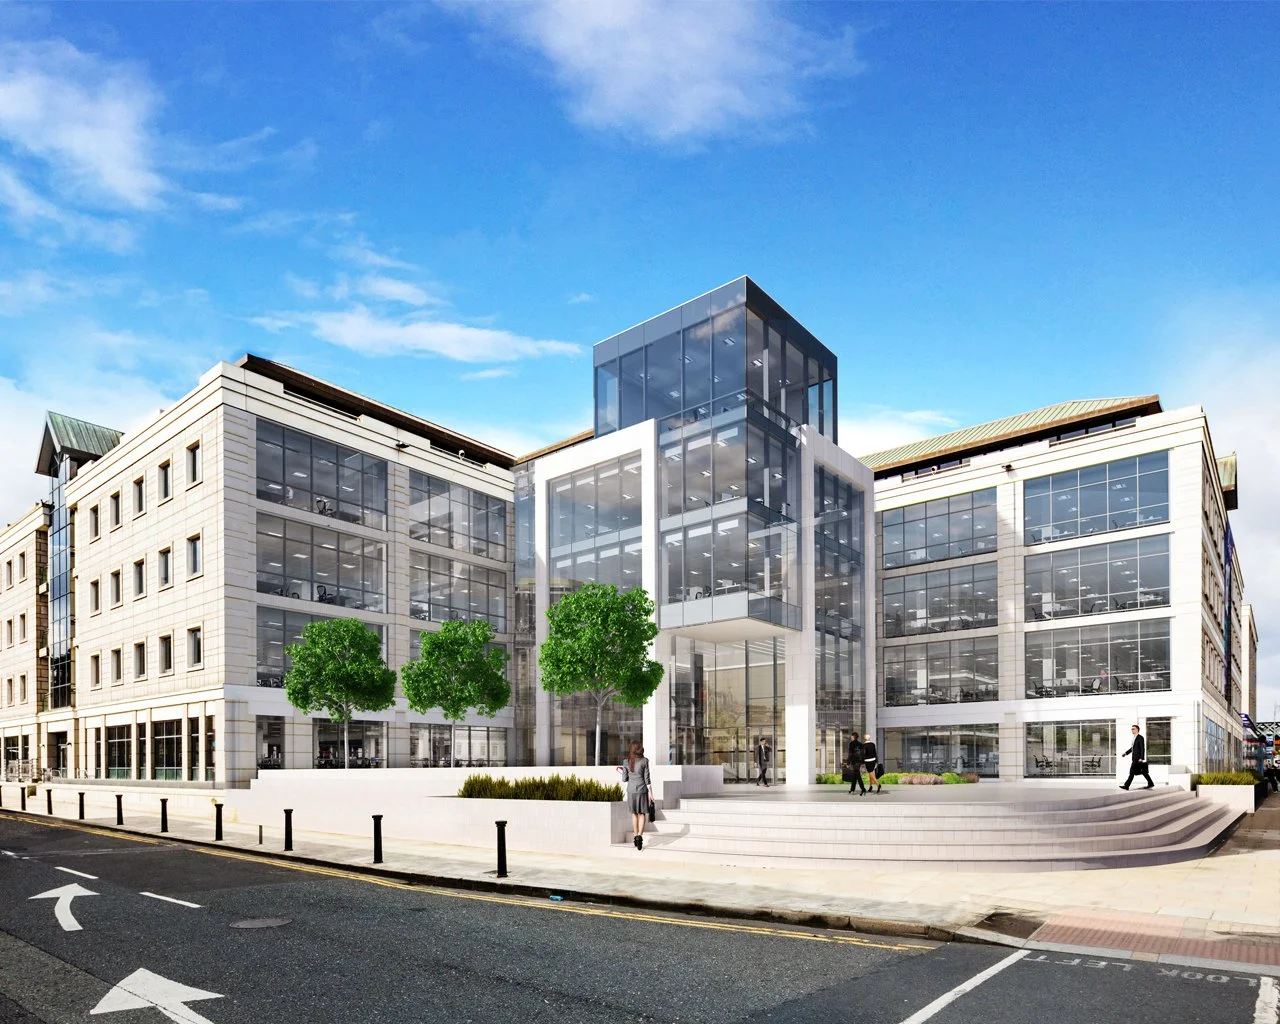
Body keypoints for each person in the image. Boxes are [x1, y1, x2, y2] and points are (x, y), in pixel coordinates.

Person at [620, 741, 654, 850]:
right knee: (642, 814)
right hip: (642, 790)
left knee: (634, 813)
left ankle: (635, 836)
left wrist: (625, 773)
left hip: (631, 791)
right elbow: (647, 779)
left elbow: (624, 779)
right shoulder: (645, 761)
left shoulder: (626, 761)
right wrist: (651, 794)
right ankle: (640, 836)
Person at [1120, 724, 1154, 790]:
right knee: (1144, 772)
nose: (1132, 730)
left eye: (1133, 729)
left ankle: (1126, 786)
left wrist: (1141, 758)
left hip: (1137, 758)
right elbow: (1132, 748)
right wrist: (1126, 753)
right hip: (1135, 758)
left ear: (1137, 730)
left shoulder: (1140, 737)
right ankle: (1151, 783)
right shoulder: (1134, 738)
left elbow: (1142, 748)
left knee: (1132, 772)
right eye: (1131, 729)